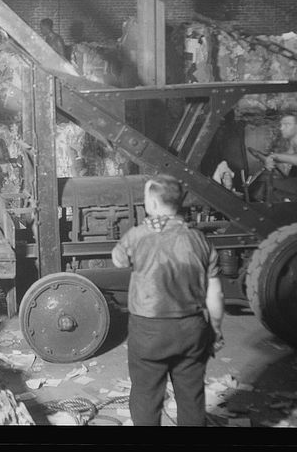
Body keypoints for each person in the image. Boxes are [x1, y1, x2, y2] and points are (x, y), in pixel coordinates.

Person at [110, 174, 224, 426]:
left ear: (152, 203)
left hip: (148, 331)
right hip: (192, 329)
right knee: (192, 397)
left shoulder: (138, 235)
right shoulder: (200, 240)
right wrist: (215, 329)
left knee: (146, 397)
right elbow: (215, 294)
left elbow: (118, 260)